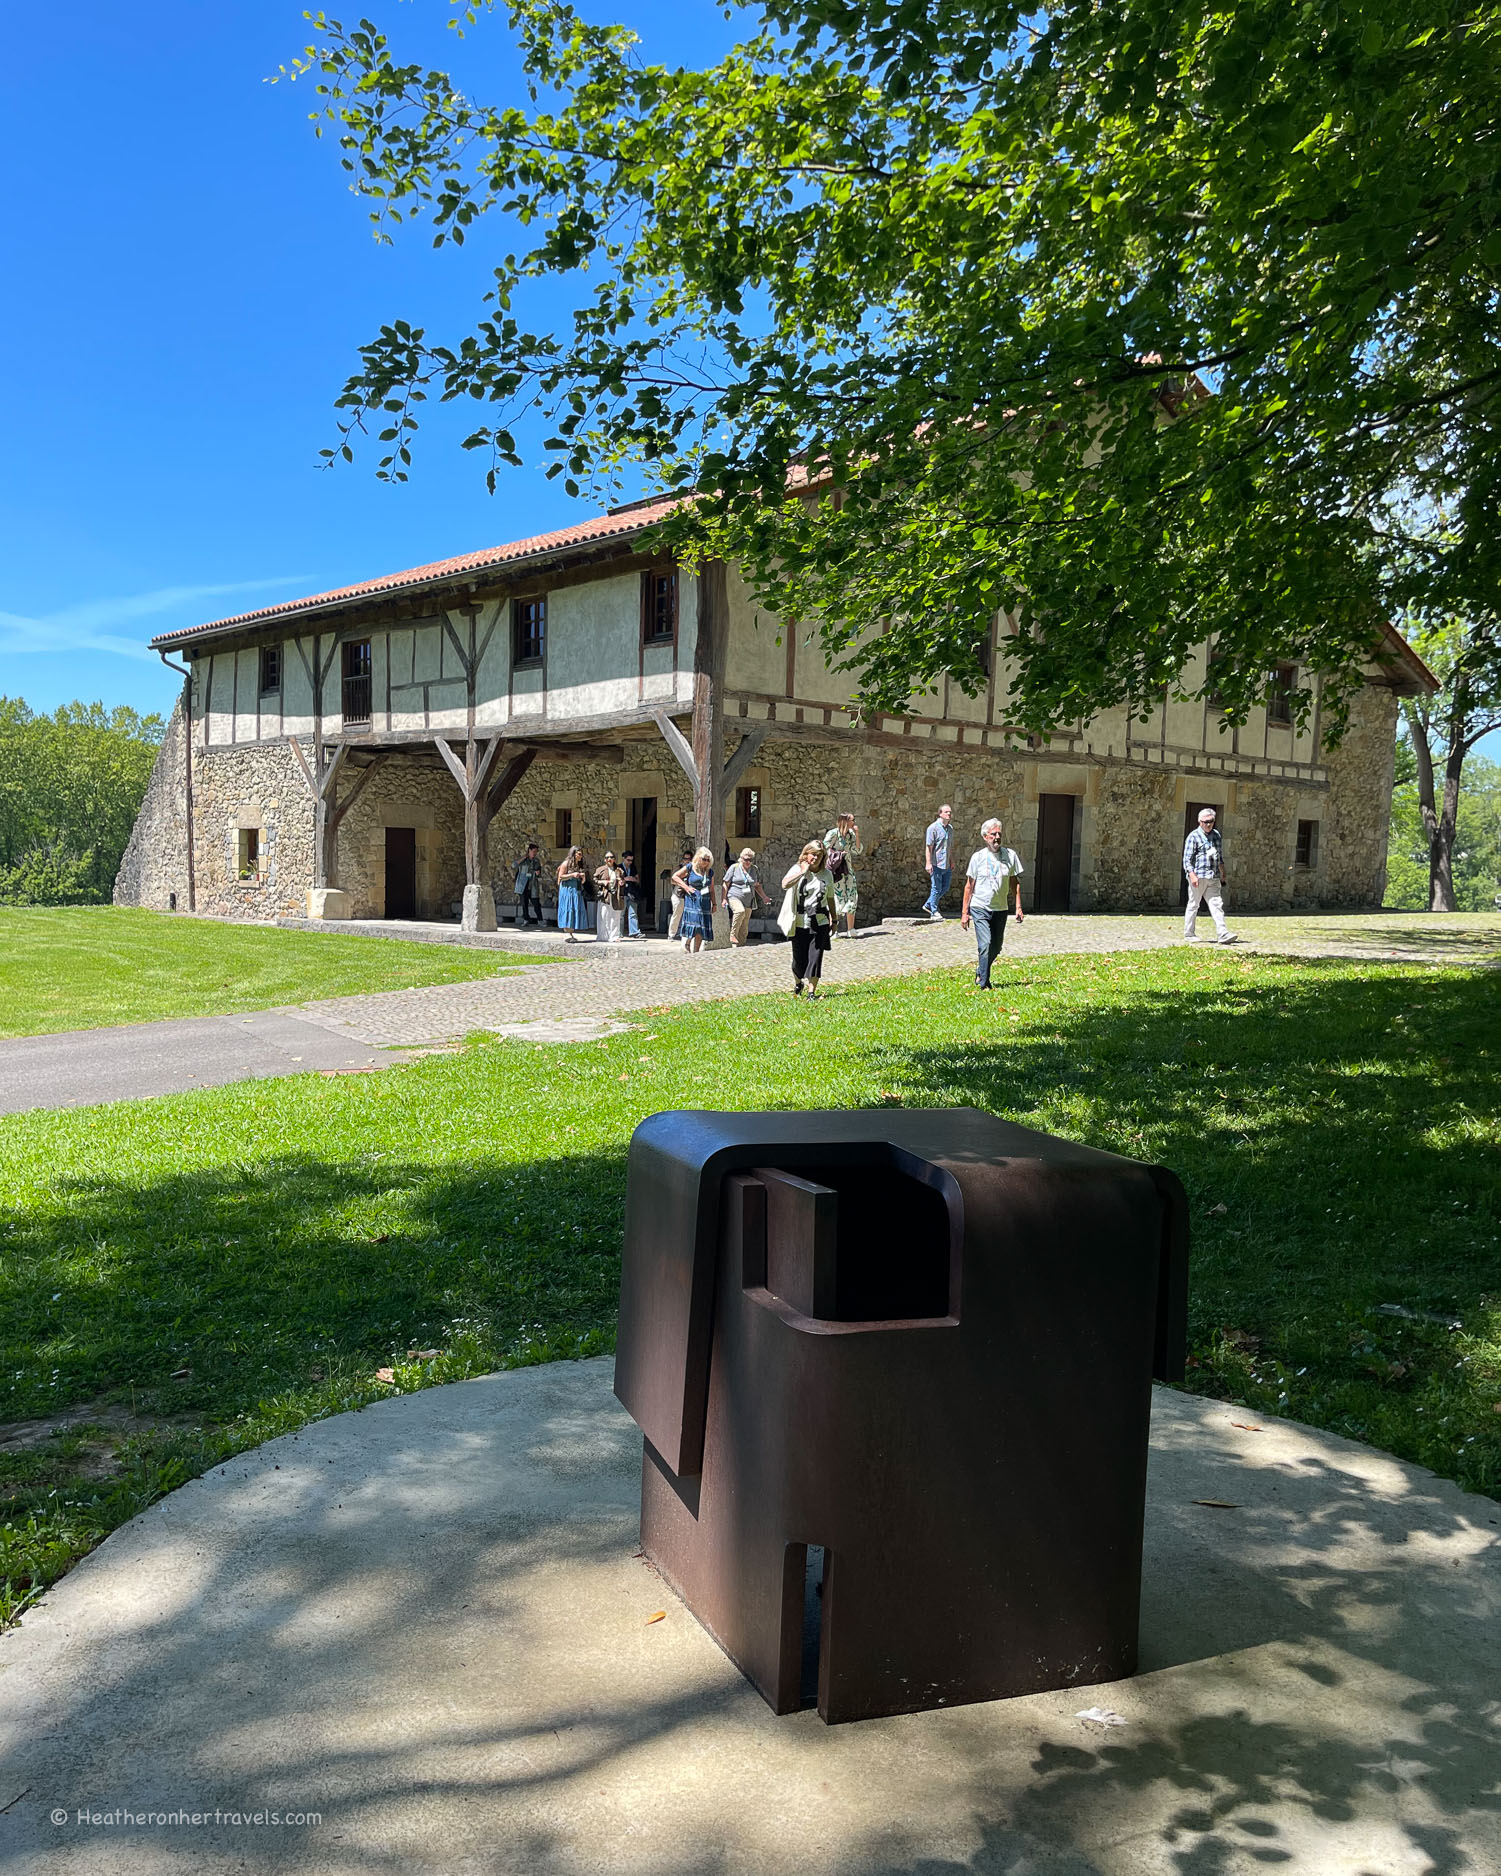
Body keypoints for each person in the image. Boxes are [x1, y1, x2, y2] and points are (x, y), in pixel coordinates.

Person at [960, 818, 1025, 989]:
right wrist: (965, 913)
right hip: (979, 907)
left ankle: (980, 971)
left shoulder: (1010, 856)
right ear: (985, 837)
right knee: (986, 943)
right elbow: (969, 886)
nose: (996, 837)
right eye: (993, 834)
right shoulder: (978, 858)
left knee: (996, 946)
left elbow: (1014, 883)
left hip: (1000, 908)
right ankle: (984, 983)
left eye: (999, 834)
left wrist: (1018, 907)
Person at [780, 841, 837, 996]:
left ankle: (812, 993)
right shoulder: (797, 869)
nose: (816, 858)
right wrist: (802, 872)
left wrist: (835, 919)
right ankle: (799, 983)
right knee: (798, 962)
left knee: (815, 957)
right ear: (806, 854)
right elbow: (785, 884)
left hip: (820, 921)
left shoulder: (827, 874)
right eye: (813, 854)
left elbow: (830, 898)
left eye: (820, 855)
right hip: (799, 921)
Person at [1183, 806, 1238, 944]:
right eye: (1205, 822)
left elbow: (1219, 856)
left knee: (1216, 905)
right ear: (1199, 822)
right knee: (1194, 904)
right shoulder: (1193, 836)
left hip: (1213, 876)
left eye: (1211, 821)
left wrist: (1223, 871)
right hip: (1198, 876)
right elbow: (1187, 859)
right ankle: (1189, 933)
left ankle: (1223, 933)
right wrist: (1192, 875)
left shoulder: (1216, 835)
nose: (1208, 824)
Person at [823, 811, 862, 936]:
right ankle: (833, 930)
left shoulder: (850, 834)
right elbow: (824, 848)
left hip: (847, 870)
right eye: (852, 820)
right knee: (836, 897)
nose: (854, 822)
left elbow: (857, 850)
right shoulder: (833, 833)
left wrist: (857, 834)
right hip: (836, 870)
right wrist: (838, 854)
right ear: (845, 821)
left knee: (852, 895)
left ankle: (851, 929)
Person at [722, 847, 771, 946]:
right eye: (746, 859)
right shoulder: (734, 868)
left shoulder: (754, 869)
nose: (748, 862)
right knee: (739, 911)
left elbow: (757, 885)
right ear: (741, 858)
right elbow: (725, 884)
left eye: (750, 859)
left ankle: (740, 946)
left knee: (744, 926)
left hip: (749, 900)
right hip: (734, 896)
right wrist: (724, 899)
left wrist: (764, 897)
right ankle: (733, 934)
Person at [673, 846, 716, 953]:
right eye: (704, 859)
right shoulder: (690, 867)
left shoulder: (709, 872)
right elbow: (675, 877)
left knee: (701, 926)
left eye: (708, 860)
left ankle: (696, 951)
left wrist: (714, 903)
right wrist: (686, 887)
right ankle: (687, 943)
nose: (706, 862)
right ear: (698, 858)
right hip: (692, 899)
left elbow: (711, 889)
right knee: (695, 922)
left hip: (705, 900)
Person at [923, 804, 954, 921]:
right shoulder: (933, 828)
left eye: (950, 812)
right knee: (936, 888)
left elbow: (949, 847)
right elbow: (929, 847)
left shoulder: (950, 829)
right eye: (946, 812)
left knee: (945, 887)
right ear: (940, 814)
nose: (949, 814)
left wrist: (952, 860)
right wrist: (928, 863)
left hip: (946, 863)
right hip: (936, 863)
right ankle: (934, 911)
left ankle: (928, 904)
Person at [555, 845, 589, 944]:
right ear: (573, 854)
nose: (580, 856)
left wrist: (582, 878)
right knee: (568, 908)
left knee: (574, 909)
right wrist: (572, 875)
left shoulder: (578, 865)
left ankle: (571, 932)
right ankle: (567, 932)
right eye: (579, 854)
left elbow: (581, 880)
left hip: (575, 890)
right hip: (567, 890)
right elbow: (561, 877)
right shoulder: (566, 864)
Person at [594, 850, 627, 943]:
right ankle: (603, 936)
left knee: (615, 916)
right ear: (605, 860)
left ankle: (614, 936)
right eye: (607, 857)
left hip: (616, 895)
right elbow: (595, 880)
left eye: (611, 857)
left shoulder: (619, 870)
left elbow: (623, 880)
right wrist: (603, 882)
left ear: (614, 859)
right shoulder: (600, 870)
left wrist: (621, 882)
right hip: (605, 895)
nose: (609, 859)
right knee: (604, 915)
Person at [512, 842, 545, 926]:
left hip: (532, 885)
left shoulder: (536, 861)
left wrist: (538, 873)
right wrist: (524, 857)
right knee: (524, 904)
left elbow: (539, 872)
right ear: (529, 851)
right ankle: (526, 920)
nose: (535, 853)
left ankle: (540, 920)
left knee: (536, 903)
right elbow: (514, 865)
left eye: (536, 852)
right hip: (523, 885)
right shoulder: (523, 860)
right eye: (533, 851)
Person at [668, 844, 694, 940]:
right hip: (678, 892)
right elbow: (672, 880)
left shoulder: (693, 869)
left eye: (689, 859)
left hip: (689, 893)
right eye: (685, 859)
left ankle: (684, 933)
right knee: (677, 913)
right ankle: (672, 934)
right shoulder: (678, 868)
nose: (687, 861)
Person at [619, 849, 644, 938]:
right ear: (623, 859)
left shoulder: (633, 868)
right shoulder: (619, 868)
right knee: (621, 914)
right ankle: (619, 933)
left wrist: (632, 879)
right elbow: (616, 880)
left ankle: (634, 932)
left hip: (632, 893)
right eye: (628, 860)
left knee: (633, 913)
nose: (630, 862)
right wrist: (625, 879)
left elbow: (637, 880)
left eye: (631, 860)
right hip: (623, 893)